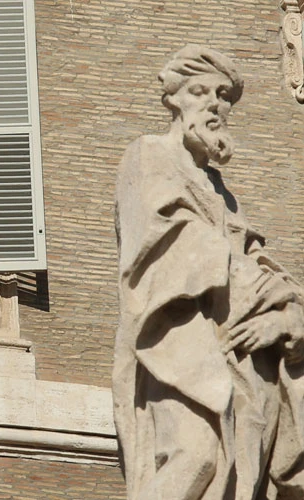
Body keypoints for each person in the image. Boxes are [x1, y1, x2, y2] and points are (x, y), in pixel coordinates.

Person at [114, 44, 304, 499]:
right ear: (175, 100)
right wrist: (246, 277)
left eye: (223, 97)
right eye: (202, 92)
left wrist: (283, 314)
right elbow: (162, 240)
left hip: (230, 349)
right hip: (176, 340)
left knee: (235, 467)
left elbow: (255, 259)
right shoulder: (148, 154)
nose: (215, 105)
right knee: (197, 455)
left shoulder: (220, 192)